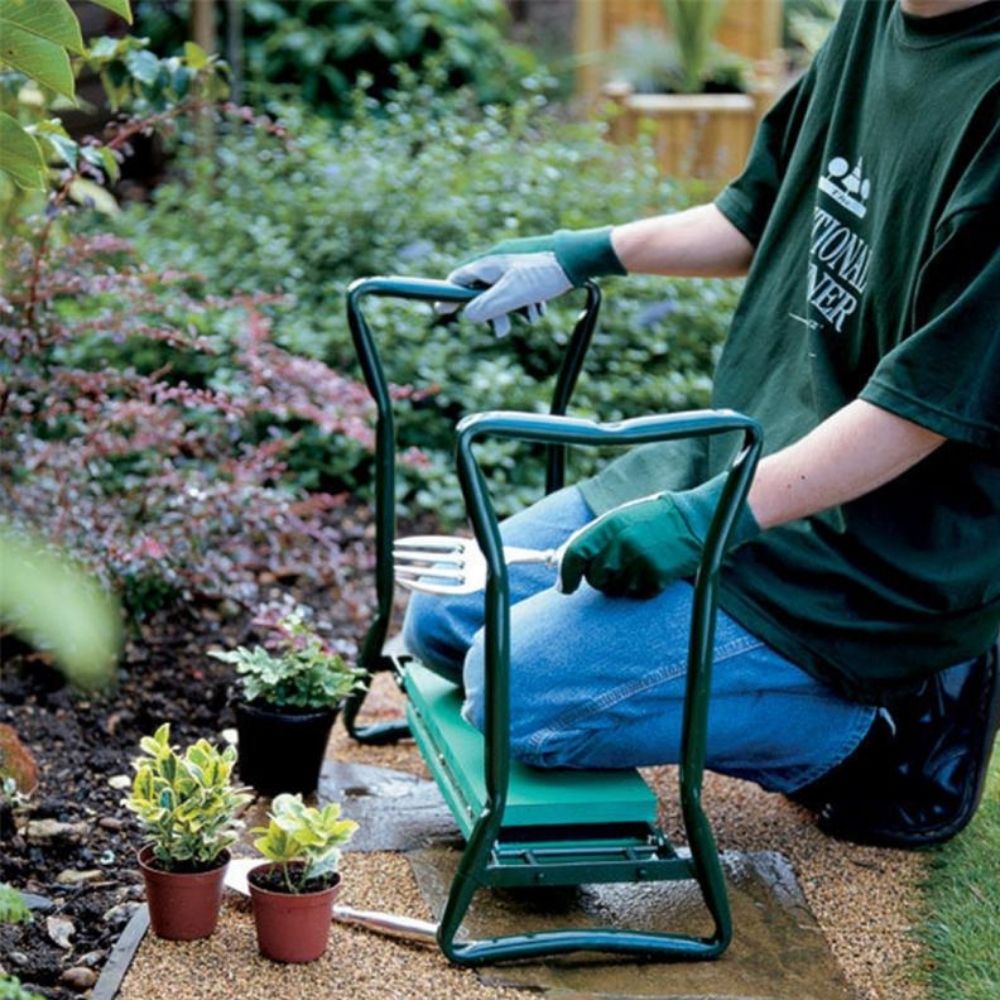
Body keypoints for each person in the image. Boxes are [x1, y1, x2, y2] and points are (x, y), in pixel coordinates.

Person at [403, 0, 1000, 846]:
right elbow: (754, 213)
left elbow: (920, 409)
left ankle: (891, 734)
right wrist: (578, 253)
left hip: (870, 547)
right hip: (743, 456)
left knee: (511, 690)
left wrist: (703, 522)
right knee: (444, 617)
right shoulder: (878, 13)